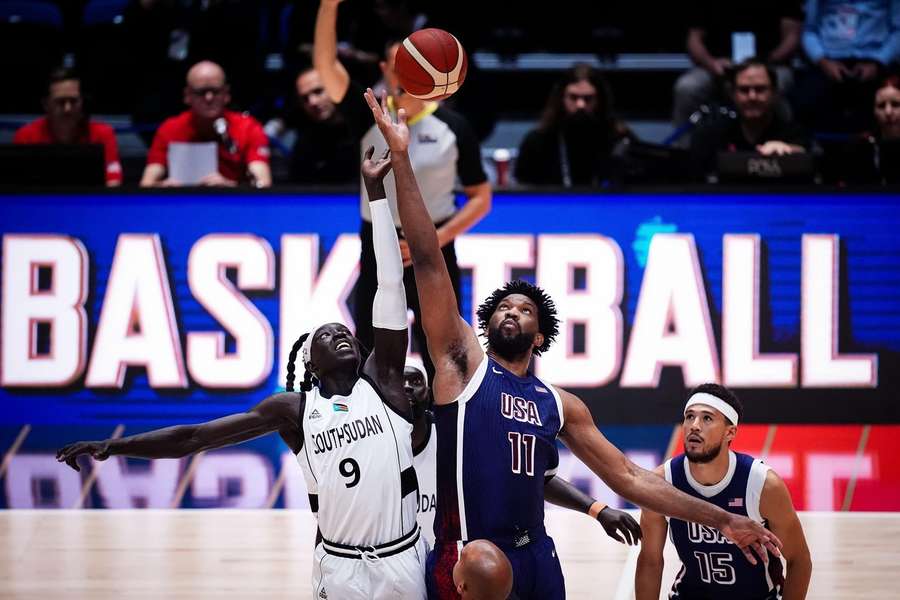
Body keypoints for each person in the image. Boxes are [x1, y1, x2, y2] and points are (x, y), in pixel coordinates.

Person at [363, 88, 782, 600]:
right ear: (487, 322)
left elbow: (629, 476)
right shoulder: (461, 365)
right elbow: (428, 260)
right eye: (502, 307)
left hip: (537, 553)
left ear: (539, 335)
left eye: (524, 309)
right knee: (481, 558)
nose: (510, 310)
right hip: (473, 553)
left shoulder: (559, 404)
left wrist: (723, 519)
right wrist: (403, 161)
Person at [58, 148, 426, 599]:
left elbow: (390, 283)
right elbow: (196, 438)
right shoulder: (294, 410)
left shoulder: (385, 384)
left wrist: (375, 193)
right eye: (325, 335)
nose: (339, 333)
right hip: (340, 567)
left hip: (401, 559)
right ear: (311, 364)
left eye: (343, 330)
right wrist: (115, 446)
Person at [314, 0, 492, 379]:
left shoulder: (454, 127)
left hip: (433, 246)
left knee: (442, 350)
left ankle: (447, 431)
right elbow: (325, 67)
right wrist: (329, 6)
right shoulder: (367, 113)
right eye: (398, 65)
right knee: (370, 351)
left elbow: (481, 198)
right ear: (385, 70)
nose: (405, 73)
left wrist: (436, 238)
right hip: (376, 242)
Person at [405, 359, 642, 552]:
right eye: (399, 380)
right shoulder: (376, 440)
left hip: (481, 553)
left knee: (524, 541)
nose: (405, 387)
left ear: (428, 393)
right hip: (402, 561)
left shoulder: (458, 431)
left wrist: (597, 509)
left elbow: (537, 477)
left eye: (414, 381)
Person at [635, 384, 812, 600]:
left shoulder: (763, 485)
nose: (694, 426)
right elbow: (650, 560)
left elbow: (799, 560)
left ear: (730, 432)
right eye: (689, 417)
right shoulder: (663, 482)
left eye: (707, 418)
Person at [140, 60, 272, 187]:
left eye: (215, 91)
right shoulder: (170, 129)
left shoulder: (248, 128)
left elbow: (263, 183)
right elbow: (146, 184)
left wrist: (229, 188)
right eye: (201, 92)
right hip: (181, 204)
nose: (209, 98)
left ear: (226, 94)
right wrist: (164, 188)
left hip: (231, 205)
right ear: (187, 95)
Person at [673, 0, 803, 128]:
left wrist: (766, 62)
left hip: (770, 64)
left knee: (778, 84)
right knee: (687, 87)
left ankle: (783, 141)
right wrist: (712, 64)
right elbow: (694, 39)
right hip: (718, 68)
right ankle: (686, 147)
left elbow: (792, 37)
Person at [690, 58, 810, 180]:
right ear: (732, 94)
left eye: (760, 89)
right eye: (744, 90)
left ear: (774, 93)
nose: (752, 97)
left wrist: (791, 153)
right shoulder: (710, 136)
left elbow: (810, 159)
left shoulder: (795, 134)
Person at [514, 64, 632, 187]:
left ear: (599, 100)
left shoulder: (620, 140)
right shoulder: (536, 142)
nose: (581, 105)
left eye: (588, 98)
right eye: (573, 97)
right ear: (561, 99)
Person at [795, 0, 900, 133]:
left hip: (876, 60)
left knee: (888, 100)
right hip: (828, 60)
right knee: (805, 100)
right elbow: (809, 30)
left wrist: (878, 62)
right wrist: (823, 61)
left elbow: (898, 31)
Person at [13, 67, 122, 187]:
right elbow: (16, 188)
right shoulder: (26, 136)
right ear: (46, 104)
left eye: (73, 101)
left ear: (82, 102)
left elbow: (113, 183)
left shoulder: (103, 134)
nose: (67, 108)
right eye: (60, 102)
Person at [286, 66, 360, 184]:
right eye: (305, 98)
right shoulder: (305, 143)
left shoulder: (364, 127)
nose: (312, 102)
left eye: (318, 91)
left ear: (335, 87)